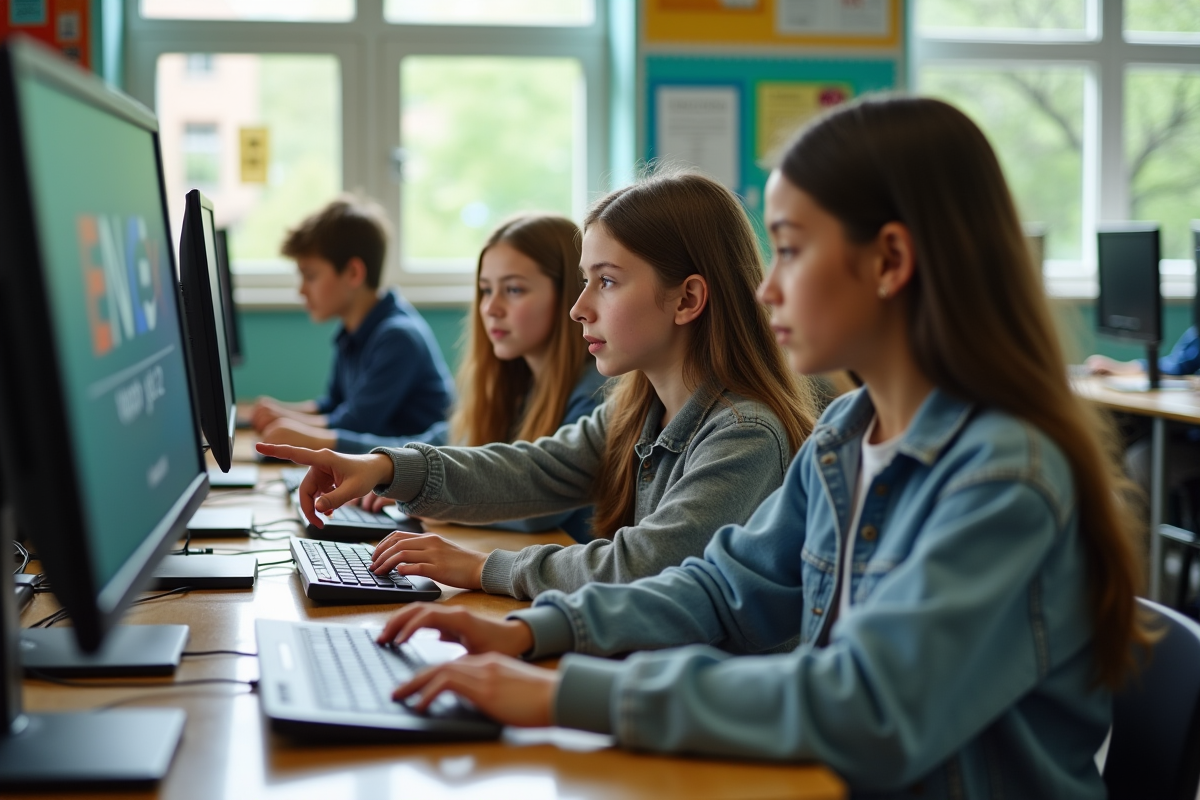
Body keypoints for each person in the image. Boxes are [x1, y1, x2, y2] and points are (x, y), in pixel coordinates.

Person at [368, 97, 1152, 798]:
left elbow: (865, 707)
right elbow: (721, 588)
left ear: (890, 261)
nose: (767, 287)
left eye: (791, 250)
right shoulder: (848, 434)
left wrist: (564, 694)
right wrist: (534, 631)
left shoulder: (1003, 478)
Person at [258, 171, 818, 600]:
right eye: (584, 281)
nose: (580, 308)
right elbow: (530, 468)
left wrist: (481, 568)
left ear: (688, 299)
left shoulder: (744, 435)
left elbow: (645, 565)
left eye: (606, 282)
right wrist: (386, 468)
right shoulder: (637, 410)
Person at [267, 214, 607, 541]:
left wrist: (428, 496)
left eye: (514, 290)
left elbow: (539, 508)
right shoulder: (514, 384)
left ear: (570, 295)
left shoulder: (595, 394)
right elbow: (444, 441)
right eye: (485, 290)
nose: (490, 308)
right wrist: (385, 470)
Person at [252, 195, 454, 445]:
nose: (301, 291)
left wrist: (290, 427)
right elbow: (335, 404)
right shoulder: (352, 330)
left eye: (310, 276)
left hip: (422, 465)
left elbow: (355, 424)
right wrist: (282, 414)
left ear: (353, 273)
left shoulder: (399, 337)